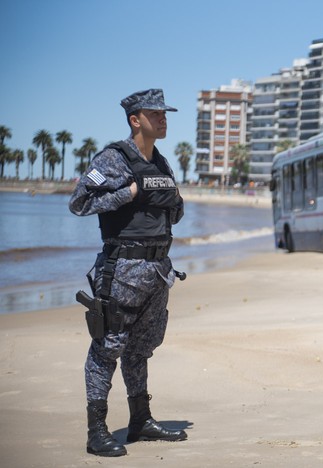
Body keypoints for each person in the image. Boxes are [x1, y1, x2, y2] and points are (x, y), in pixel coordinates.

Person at [69, 89, 187, 457]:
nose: (163, 119)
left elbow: (172, 213)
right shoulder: (112, 159)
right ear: (135, 119)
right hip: (122, 270)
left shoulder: (163, 164)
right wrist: (130, 191)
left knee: (140, 349)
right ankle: (96, 431)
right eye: (155, 114)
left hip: (157, 271)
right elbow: (80, 201)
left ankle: (140, 421)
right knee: (107, 349)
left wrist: (172, 202)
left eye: (165, 113)